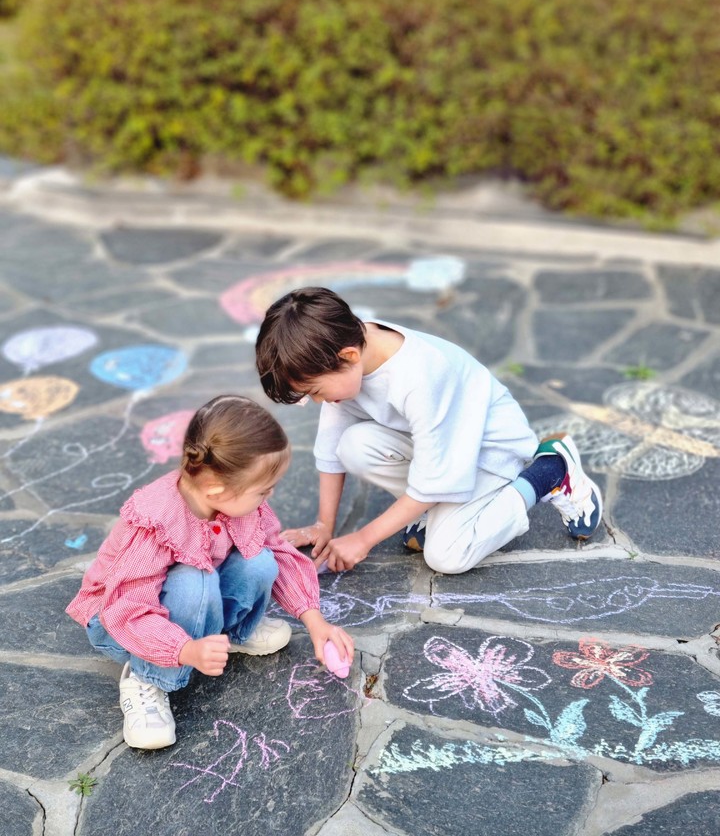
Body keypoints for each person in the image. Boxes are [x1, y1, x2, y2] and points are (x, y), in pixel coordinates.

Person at [66, 394, 354, 751]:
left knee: (262, 559)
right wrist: (185, 650)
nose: (270, 495)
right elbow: (126, 608)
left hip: (194, 597)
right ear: (217, 488)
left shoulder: (231, 497)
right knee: (193, 581)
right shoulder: (156, 521)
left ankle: (226, 634)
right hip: (123, 623)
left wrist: (315, 622)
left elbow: (278, 551)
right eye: (263, 489)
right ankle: (146, 677)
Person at [255, 287, 602, 575]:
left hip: (489, 453)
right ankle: (433, 513)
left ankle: (548, 473)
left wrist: (363, 539)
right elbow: (331, 450)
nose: (317, 401)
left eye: (314, 391)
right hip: (444, 450)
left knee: (447, 555)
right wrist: (323, 525)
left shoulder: (420, 376)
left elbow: (433, 479)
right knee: (353, 446)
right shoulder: (350, 348)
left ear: (347, 356)